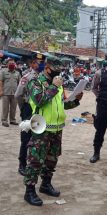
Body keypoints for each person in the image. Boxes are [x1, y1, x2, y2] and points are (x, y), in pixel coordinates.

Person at [23, 57, 83, 206]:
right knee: (36, 160)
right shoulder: (35, 81)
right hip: (40, 126)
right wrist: (54, 87)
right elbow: (39, 101)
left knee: (52, 158)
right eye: (56, 68)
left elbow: (62, 105)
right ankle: (29, 191)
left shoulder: (59, 83)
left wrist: (75, 100)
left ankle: (46, 184)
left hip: (56, 128)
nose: (59, 71)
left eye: (61, 68)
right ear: (48, 67)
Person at [15, 53, 45, 176]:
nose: (41, 64)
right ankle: (22, 164)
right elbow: (18, 95)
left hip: (39, 109)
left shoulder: (43, 77)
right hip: (28, 109)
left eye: (43, 62)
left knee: (38, 138)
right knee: (26, 138)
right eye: (39, 62)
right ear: (32, 64)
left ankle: (34, 163)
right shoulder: (27, 77)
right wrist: (24, 109)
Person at [0, 58, 20, 127]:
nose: (12, 65)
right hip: (5, 92)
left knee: (13, 108)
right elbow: (1, 81)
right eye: (10, 63)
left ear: (15, 65)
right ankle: (4, 120)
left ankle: (12, 120)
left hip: (15, 93)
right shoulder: (3, 72)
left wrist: (19, 93)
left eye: (13, 63)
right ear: (7, 64)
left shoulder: (17, 73)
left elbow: (19, 83)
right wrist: (1, 90)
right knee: (5, 108)